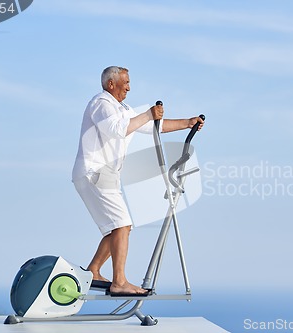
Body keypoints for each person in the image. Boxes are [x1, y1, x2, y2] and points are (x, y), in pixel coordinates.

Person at [72, 66, 204, 296]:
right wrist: (148, 114)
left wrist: (188, 122)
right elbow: (116, 130)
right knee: (122, 225)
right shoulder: (101, 103)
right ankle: (119, 282)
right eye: (125, 82)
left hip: (107, 175)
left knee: (119, 228)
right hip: (95, 172)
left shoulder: (122, 108)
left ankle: (93, 270)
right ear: (111, 84)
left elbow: (154, 126)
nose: (129, 87)